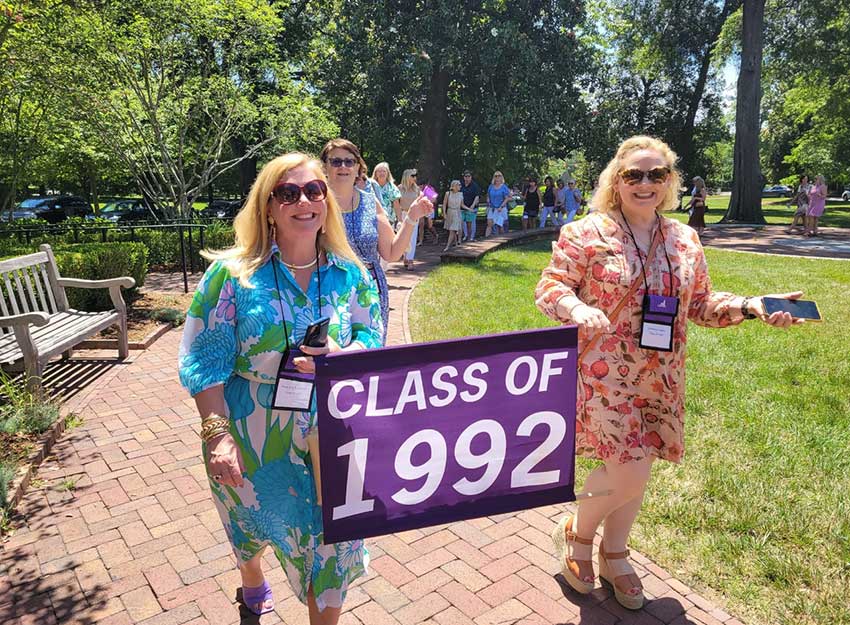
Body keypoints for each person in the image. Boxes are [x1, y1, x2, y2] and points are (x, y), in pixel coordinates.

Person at [535, 136, 802, 611]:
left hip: (661, 375)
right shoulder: (586, 232)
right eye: (633, 175)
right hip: (603, 373)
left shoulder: (684, 239)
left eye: (656, 174)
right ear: (616, 181)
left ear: (669, 180)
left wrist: (752, 306)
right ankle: (577, 533)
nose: (645, 183)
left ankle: (615, 551)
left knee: (640, 466)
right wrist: (575, 307)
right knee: (630, 470)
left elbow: (701, 304)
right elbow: (551, 287)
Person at [178, 152, 385, 624]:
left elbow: (371, 336)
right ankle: (251, 575)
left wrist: (344, 353)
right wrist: (216, 435)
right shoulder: (232, 275)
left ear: (327, 201)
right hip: (252, 431)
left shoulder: (350, 274)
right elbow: (203, 359)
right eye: (288, 193)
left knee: (335, 543)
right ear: (268, 206)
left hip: (332, 428)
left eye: (314, 191)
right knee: (249, 525)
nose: (304, 202)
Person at [321, 139, 433, 327]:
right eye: (336, 161)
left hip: (371, 292)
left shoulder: (370, 203)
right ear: (325, 167)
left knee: (371, 345)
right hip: (329, 292)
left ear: (358, 168)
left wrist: (412, 216)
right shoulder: (315, 204)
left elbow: (391, 253)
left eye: (349, 161)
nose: (343, 166)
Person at [398, 168, 422, 269]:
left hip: (414, 214)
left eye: (415, 176)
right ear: (407, 176)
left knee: (412, 237)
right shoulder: (399, 188)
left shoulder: (417, 189)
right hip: (403, 213)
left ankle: (410, 259)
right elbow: (396, 203)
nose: (414, 178)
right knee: (404, 237)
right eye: (412, 176)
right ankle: (405, 255)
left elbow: (420, 201)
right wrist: (398, 217)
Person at [373, 162, 402, 227]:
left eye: (384, 171)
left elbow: (397, 205)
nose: (382, 173)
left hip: (388, 221)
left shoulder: (392, 187)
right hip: (373, 220)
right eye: (379, 171)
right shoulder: (371, 186)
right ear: (375, 173)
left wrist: (400, 220)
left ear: (387, 173)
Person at [486, 171, 511, 236]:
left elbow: (507, 198)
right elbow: (488, 195)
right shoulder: (491, 186)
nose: (497, 177)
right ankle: (486, 238)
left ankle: (502, 239)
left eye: (499, 176)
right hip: (492, 208)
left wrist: (501, 207)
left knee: (501, 226)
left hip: (501, 209)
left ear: (501, 177)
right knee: (489, 224)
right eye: (496, 176)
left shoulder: (504, 187)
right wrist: (488, 201)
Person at [442, 179, 463, 250]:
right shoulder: (448, 194)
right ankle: (456, 244)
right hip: (450, 212)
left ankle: (447, 246)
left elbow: (462, 205)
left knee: (452, 230)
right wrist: (444, 213)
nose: (460, 186)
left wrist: (469, 209)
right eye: (459, 185)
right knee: (452, 229)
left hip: (457, 213)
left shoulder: (461, 194)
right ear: (454, 186)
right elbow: (444, 204)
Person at [460, 170, 481, 242]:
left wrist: (472, 205)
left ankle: (471, 237)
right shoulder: (461, 185)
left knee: (471, 222)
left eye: (469, 176)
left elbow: (477, 196)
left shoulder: (475, 186)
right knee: (463, 223)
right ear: (464, 177)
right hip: (463, 207)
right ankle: (465, 236)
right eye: (466, 176)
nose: (467, 178)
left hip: (472, 207)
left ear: (471, 177)